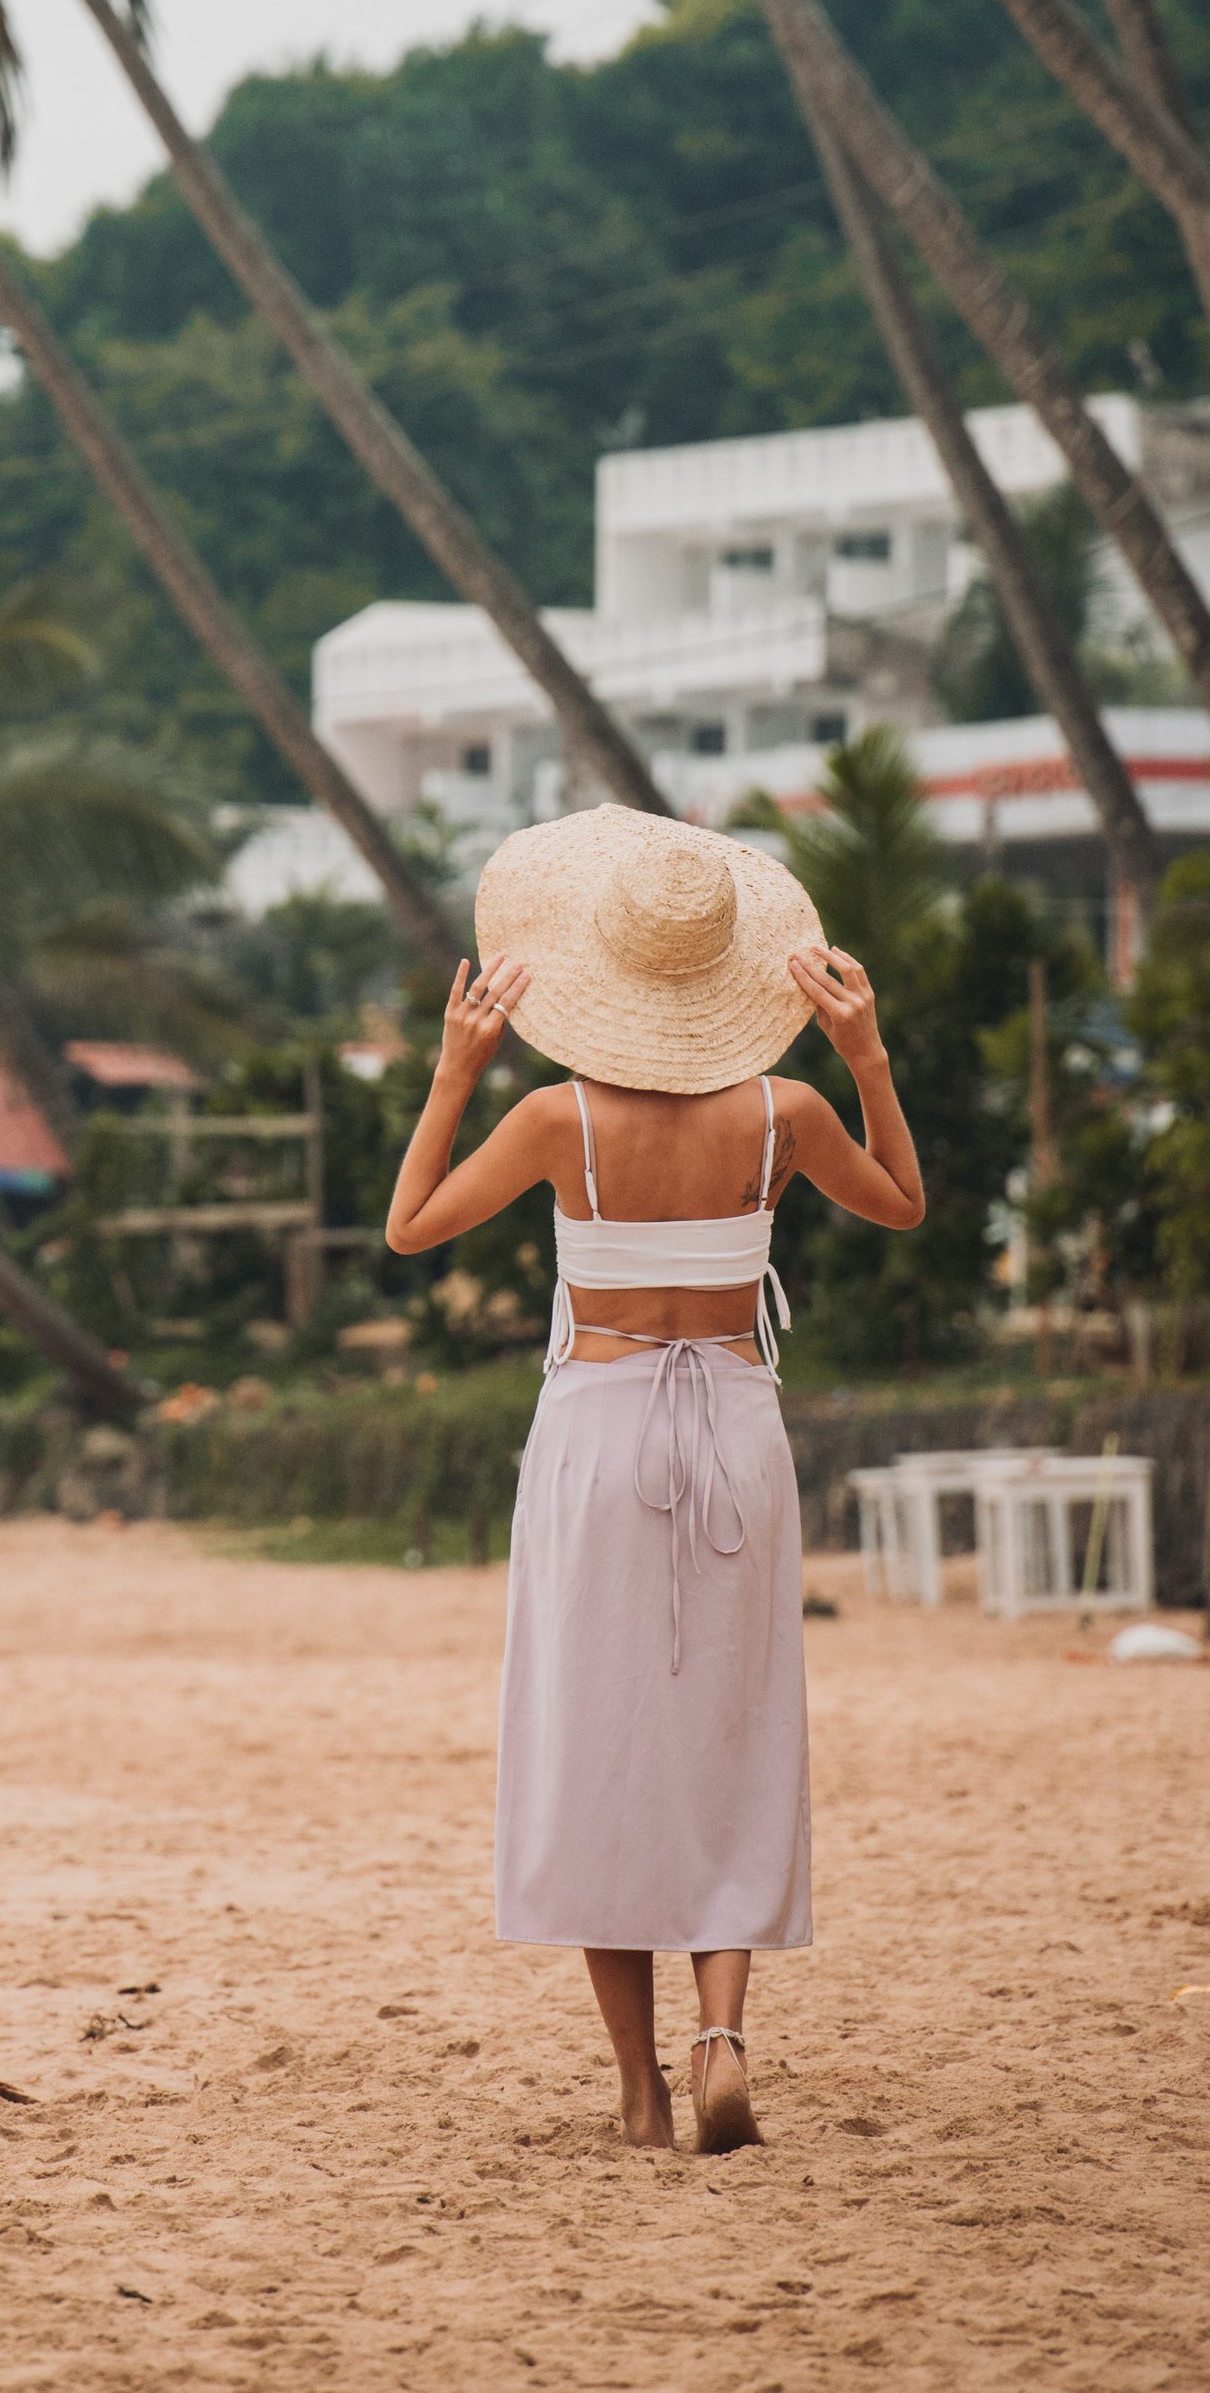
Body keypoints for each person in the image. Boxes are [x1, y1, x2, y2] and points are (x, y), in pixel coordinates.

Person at [385, 808, 922, 2155]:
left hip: (599, 1430)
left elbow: (409, 1225)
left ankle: (639, 2090)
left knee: (600, 1741)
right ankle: (722, 2032)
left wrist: (453, 1072)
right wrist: (865, 1054)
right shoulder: (785, 1111)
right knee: (734, 1731)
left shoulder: (553, 1117)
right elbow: (903, 1200)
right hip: (735, 1423)